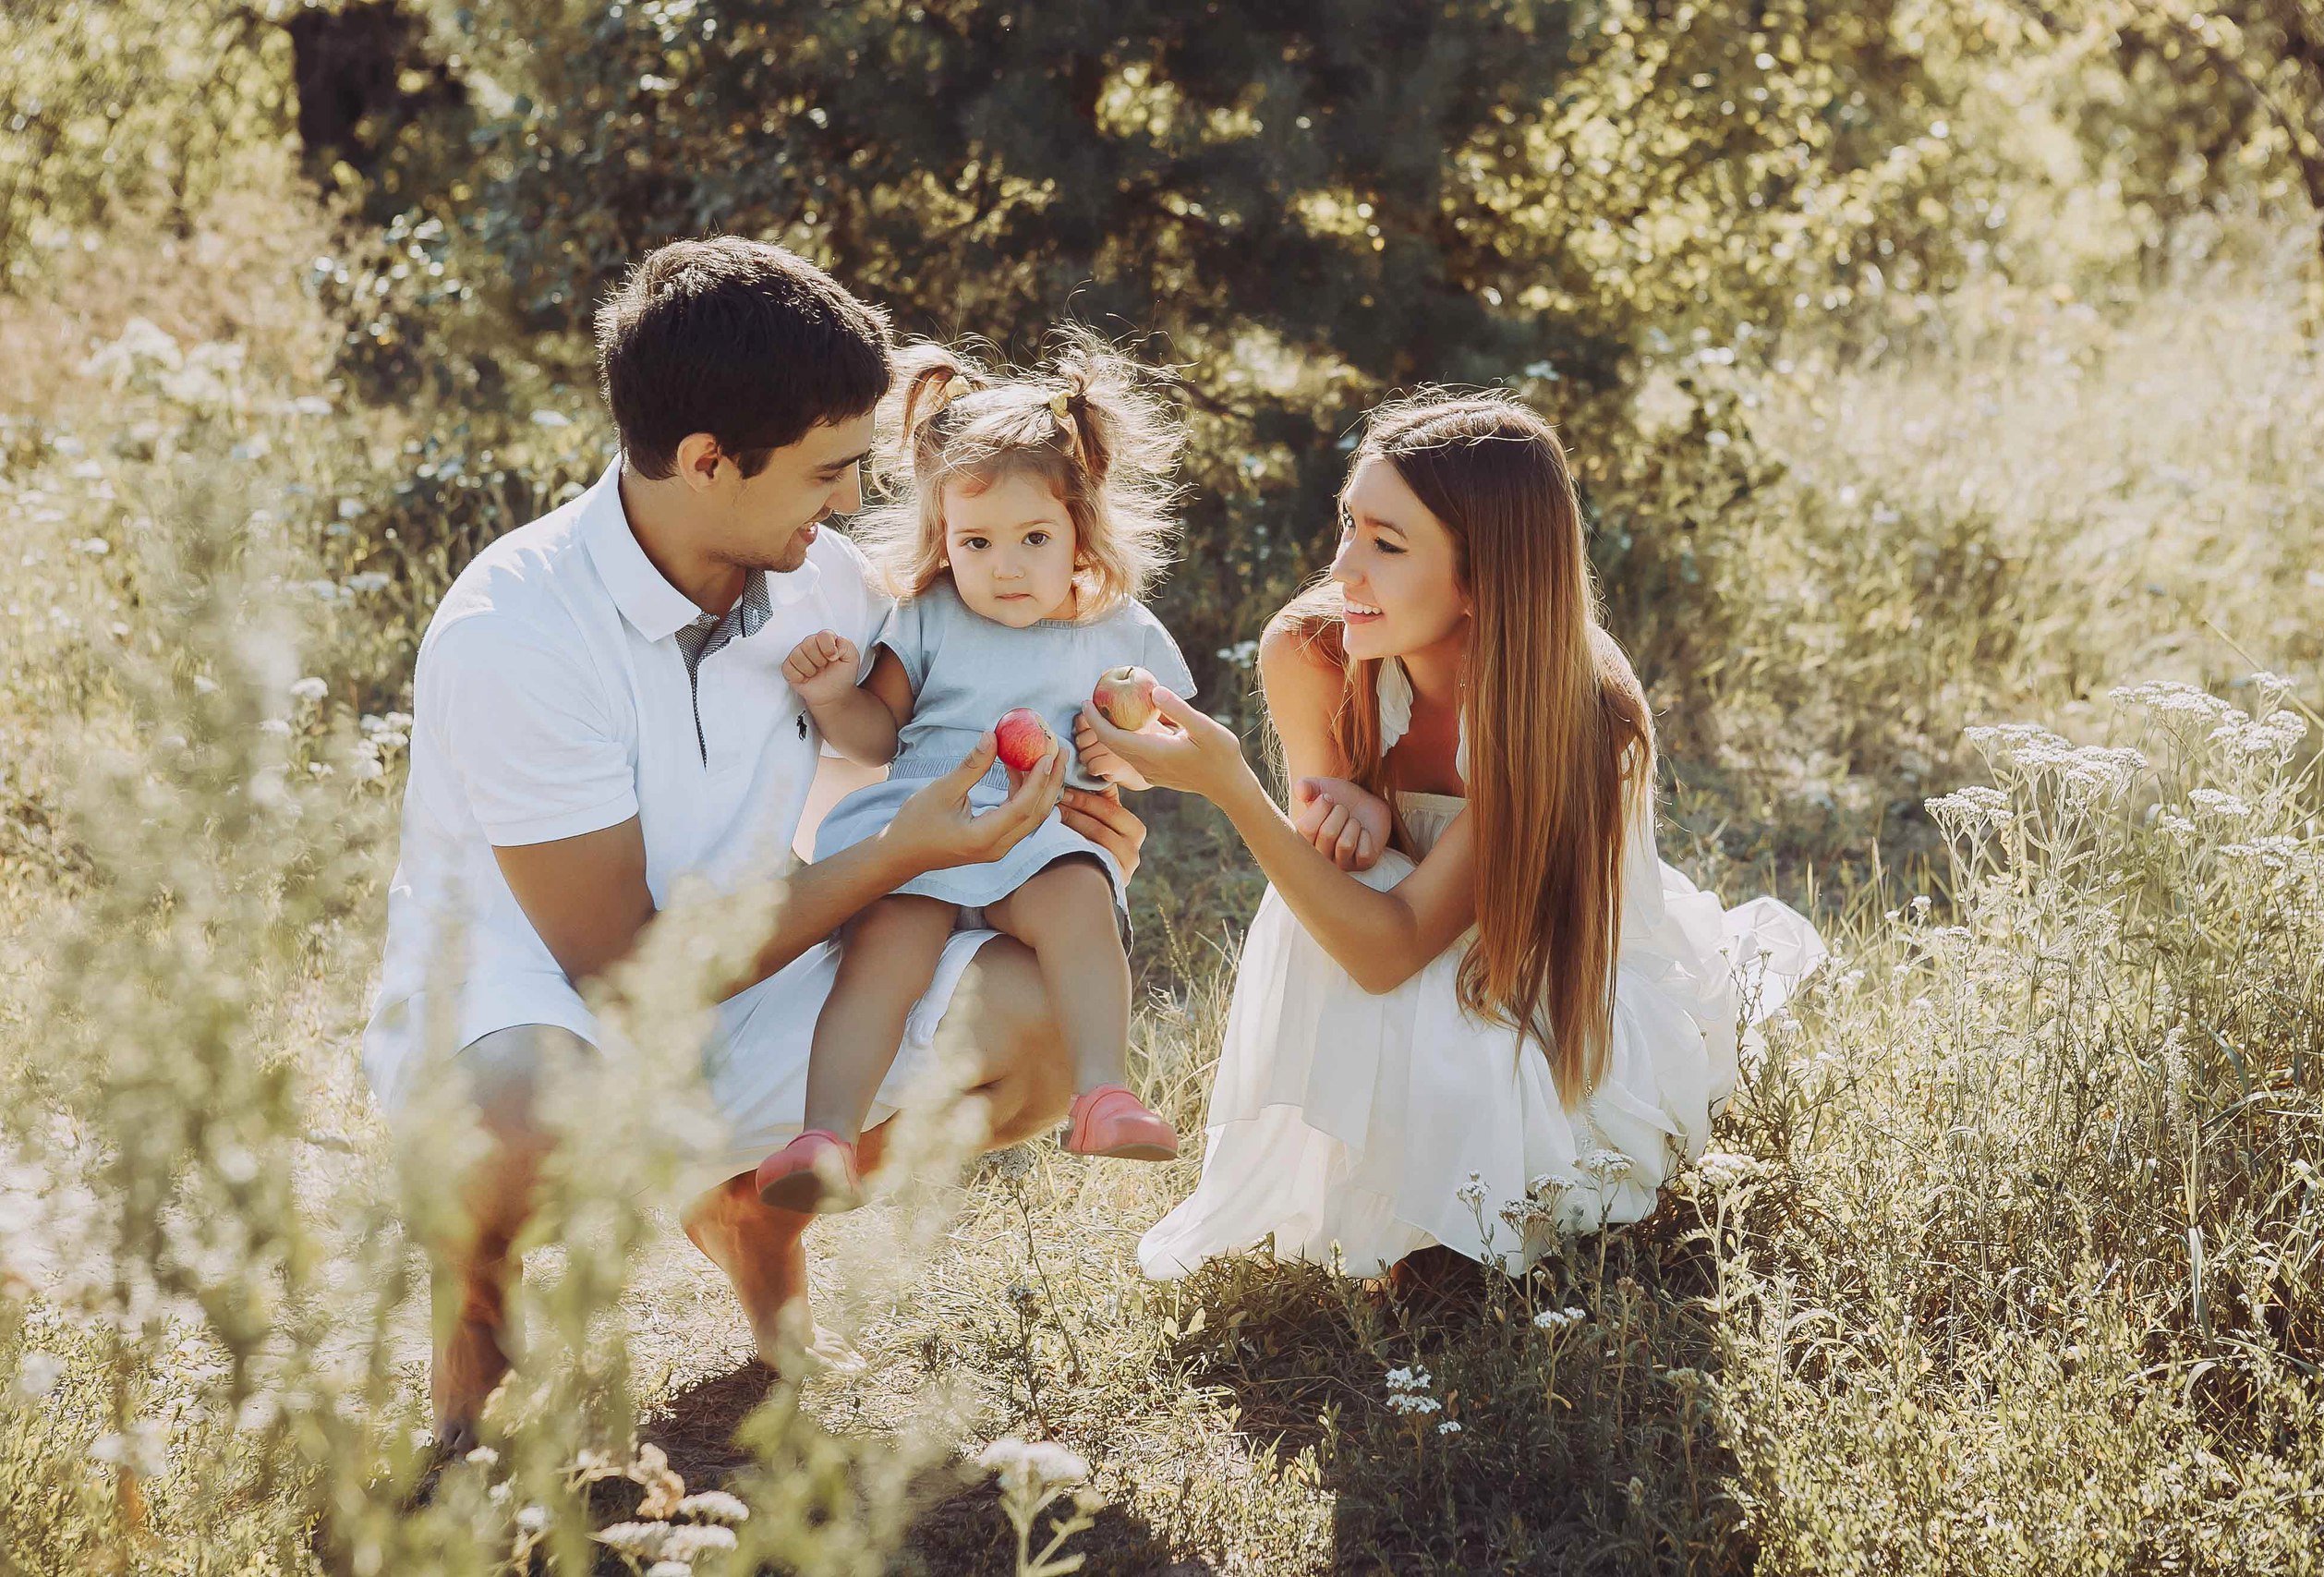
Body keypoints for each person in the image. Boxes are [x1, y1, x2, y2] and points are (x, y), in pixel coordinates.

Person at [358, 237, 1143, 1449]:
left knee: (1041, 1018)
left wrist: (1065, 850)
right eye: (829, 469)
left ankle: (746, 1214)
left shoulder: (823, 585)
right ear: (707, 460)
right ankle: (474, 1313)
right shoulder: (514, 630)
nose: (847, 503)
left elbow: (905, 764)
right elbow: (624, 967)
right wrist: (901, 857)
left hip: (753, 969)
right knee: (519, 1107)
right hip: (534, 1007)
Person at [1077, 391, 1826, 1280]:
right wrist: (1354, 816)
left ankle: (1448, 1226)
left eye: (1388, 546)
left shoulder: (1571, 714)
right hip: (1419, 943)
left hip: (1546, 977)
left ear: (1483, 580)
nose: (1344, 567)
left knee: (1402, 994)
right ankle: (1381, 1198)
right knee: (1306, 909)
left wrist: (1230, 786)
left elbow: (1388, 952)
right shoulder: (1314, 650)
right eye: (1350, 524)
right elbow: (1333, 886)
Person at [756, 334, 1193, 1211]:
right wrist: (838, 697)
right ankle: (825, 1135)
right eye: (976, 541)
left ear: (1081, 528)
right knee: (879, 964)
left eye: (1034, 536)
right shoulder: (928, 616)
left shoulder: (1120, 631)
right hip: (930, 827)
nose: (1005, 565)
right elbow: (877, 737)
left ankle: (1102, 1092)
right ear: (942, 539)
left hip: (1046, 833)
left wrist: (1125, 755)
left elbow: (1173, 746)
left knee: (1081, 909)